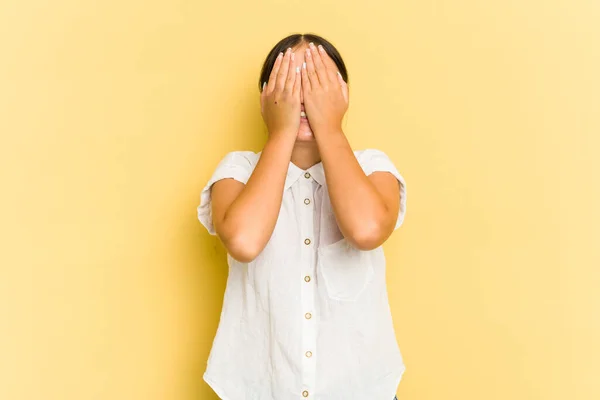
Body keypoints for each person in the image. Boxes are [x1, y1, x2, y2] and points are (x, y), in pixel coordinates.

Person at [197, 33, 406, 400]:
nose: (305, 98)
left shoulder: (373, 167)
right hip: (258, 388)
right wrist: (281, 131)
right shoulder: (237, 171)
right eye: (292, 81)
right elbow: (244, 241)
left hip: (360, 388)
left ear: (342, 95)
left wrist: (329, 126)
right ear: (266, 96)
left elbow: (367, 229)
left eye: (318, 82)